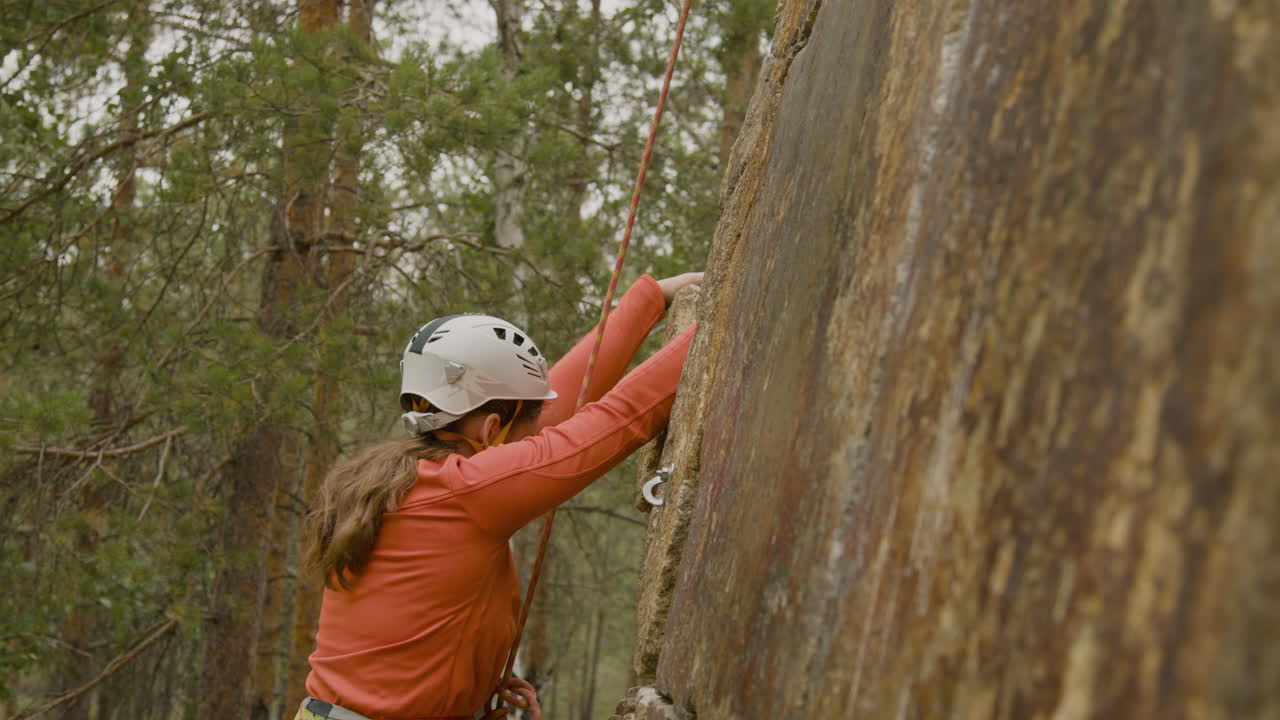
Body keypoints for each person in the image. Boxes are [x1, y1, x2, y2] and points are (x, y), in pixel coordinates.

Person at [297, 271, 703, 720]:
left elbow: (564, 407)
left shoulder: (403, 481)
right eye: (531, 429)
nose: (540, 437)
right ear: (492, 429)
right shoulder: (464, 491)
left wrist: (648, 299)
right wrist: (728, 311)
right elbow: (617, 418)